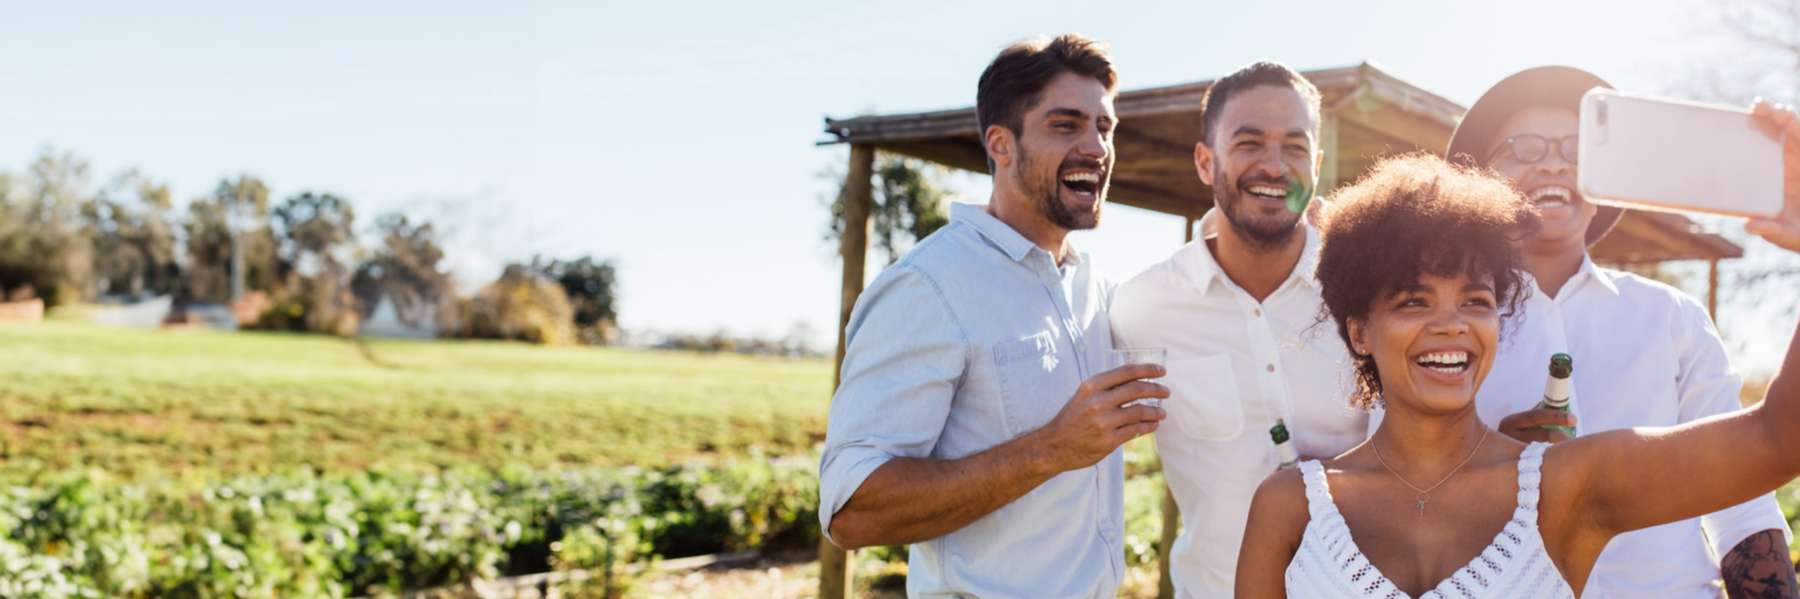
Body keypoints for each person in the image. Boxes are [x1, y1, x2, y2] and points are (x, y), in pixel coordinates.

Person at [1235, 101, 1800, 598]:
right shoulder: (1291, 505)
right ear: (1359, 332)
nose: (1451, 325)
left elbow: (1776, 440)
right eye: (1414, 301)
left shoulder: (1568, 482)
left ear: (1501, 321)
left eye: (1476, 302)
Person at [816, 34, 1167, 598]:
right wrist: (1051, 448)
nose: (1097, 147)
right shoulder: (928, 287)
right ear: (1001, 145)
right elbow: (852, 512)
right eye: (1066, 125)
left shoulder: (1097, 288)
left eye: (1104, 128)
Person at [1450, 66, 1794, 598]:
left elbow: (1741, 504)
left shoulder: (1669, 315)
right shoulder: (1437, 330)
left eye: (1577, 148)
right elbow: (1392, 492)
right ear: (1478, 179)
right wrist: (1491, 468)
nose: (1555, 163)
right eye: (1523, 147)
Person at [1110, 60, 1367, 597]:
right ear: (1206, 161)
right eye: (1249, 143)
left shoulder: (1369, 293)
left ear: (1316, 164)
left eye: (1295, 148)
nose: (1275, 166)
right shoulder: (1140, 309)